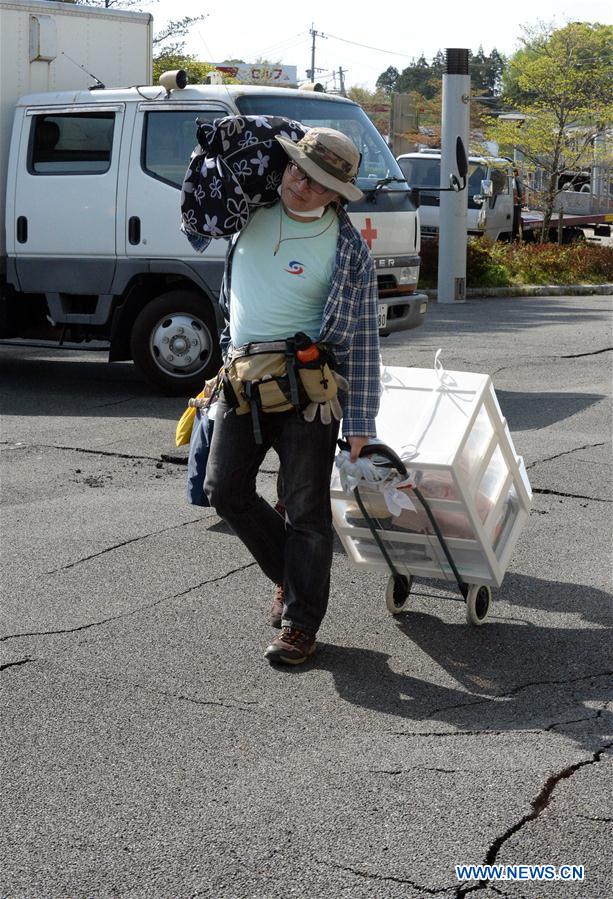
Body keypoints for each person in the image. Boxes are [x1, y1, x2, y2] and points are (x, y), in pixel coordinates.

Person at [203, 127, 380, 665]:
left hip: (310, 388)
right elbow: (198, 205)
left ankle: (300, 624)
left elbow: (364, 340)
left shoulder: (350, 251)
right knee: (224, 489)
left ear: (335, 195)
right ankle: (291, 575)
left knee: (305, 508)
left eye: (317, 181)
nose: (300, 183)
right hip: (242, 378)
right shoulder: (246, 214)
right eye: (296, 169)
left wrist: (361, 423)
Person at [512, 167, 525, 240]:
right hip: (514, 203)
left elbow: (519, 190)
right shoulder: (513, 179)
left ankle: (518, 237)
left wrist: (519, 199)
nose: (514, 173)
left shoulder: (517, 179)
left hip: (517, 204)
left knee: (517, 223)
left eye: (514, 171)